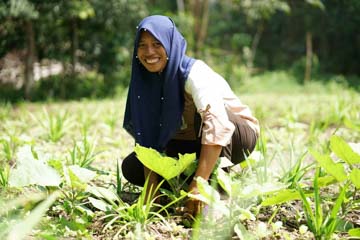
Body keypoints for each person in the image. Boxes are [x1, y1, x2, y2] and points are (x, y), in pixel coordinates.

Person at [122, 15, 259, 217]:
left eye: (157, 44)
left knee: (206, 116)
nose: (149, 52)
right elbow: (147, 138)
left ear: (170, 43)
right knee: (132, 167)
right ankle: (185, 185)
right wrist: (151, 194)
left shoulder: (194, 72)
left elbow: (218, 124)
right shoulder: (143, 82)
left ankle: (216, 190)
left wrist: (198, 186)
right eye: (142, 45)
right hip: (187, 143)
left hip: (236, 136)